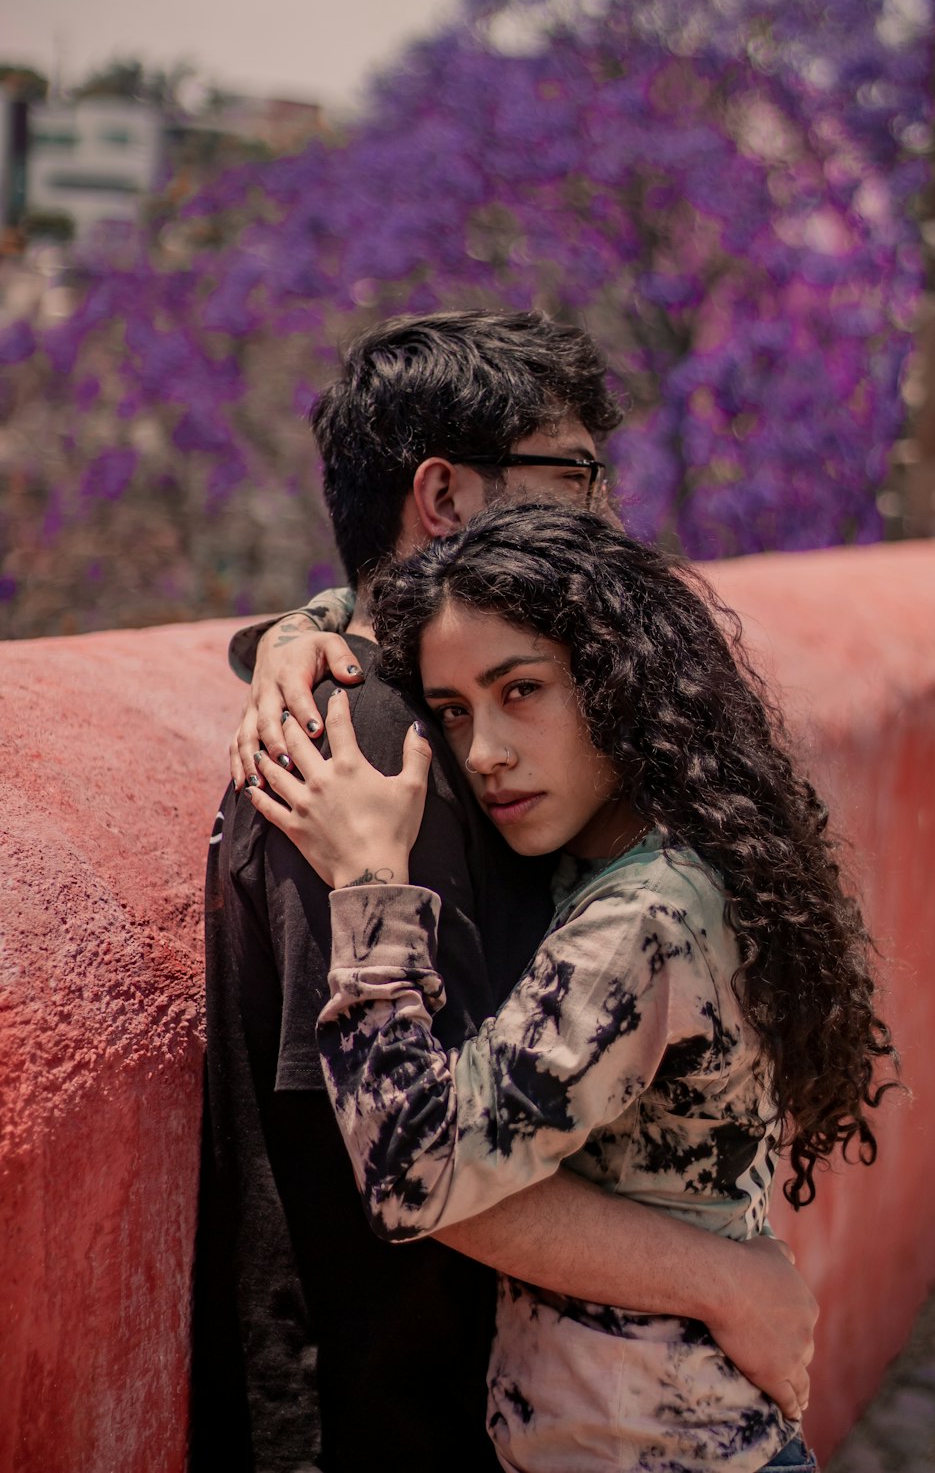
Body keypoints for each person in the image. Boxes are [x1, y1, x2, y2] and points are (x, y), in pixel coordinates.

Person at [196, 311, 817, 1473]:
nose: (607, 515)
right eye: (575, 472)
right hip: (392, 1409)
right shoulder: (370, 747)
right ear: (445, 496)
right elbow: (410, 1165)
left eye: (518, 692)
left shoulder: (605, 831)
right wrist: (733, 1280)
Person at [244, 498, 900, 1473]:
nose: (484, 753)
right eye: (455, 711)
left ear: (615, 682)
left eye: (522, 692)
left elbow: (416, 1174)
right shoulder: (656, 850)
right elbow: (390, 608)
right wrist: (299, 633)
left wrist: (371, 880)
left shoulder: (643, 922)